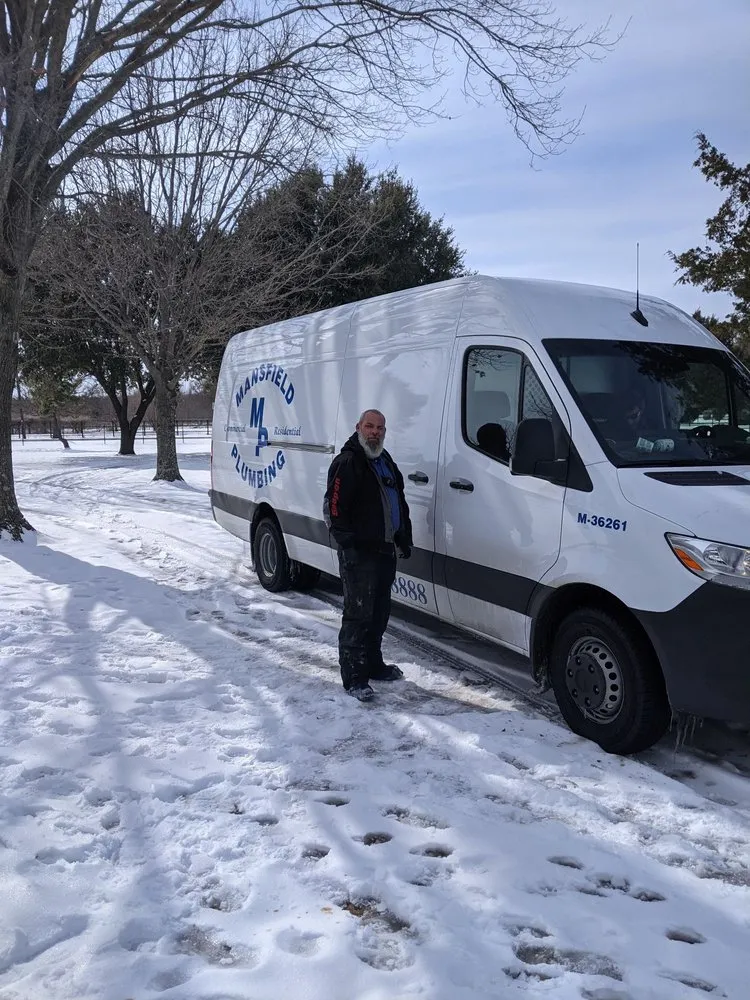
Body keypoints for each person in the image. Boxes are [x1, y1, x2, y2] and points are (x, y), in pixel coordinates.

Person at [323, 409, 413, 702]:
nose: (375, 431)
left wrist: (403, 537)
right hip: (359, 554)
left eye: (380, 427)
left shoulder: (384, 461)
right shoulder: (348, 462)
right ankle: (354, 677)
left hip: (385, 550)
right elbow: (333, 509)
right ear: (358, 427)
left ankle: (374, 665)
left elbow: (398, 500)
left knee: (379, 613)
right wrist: (348, 545)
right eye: (369, 426)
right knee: (358, 616)